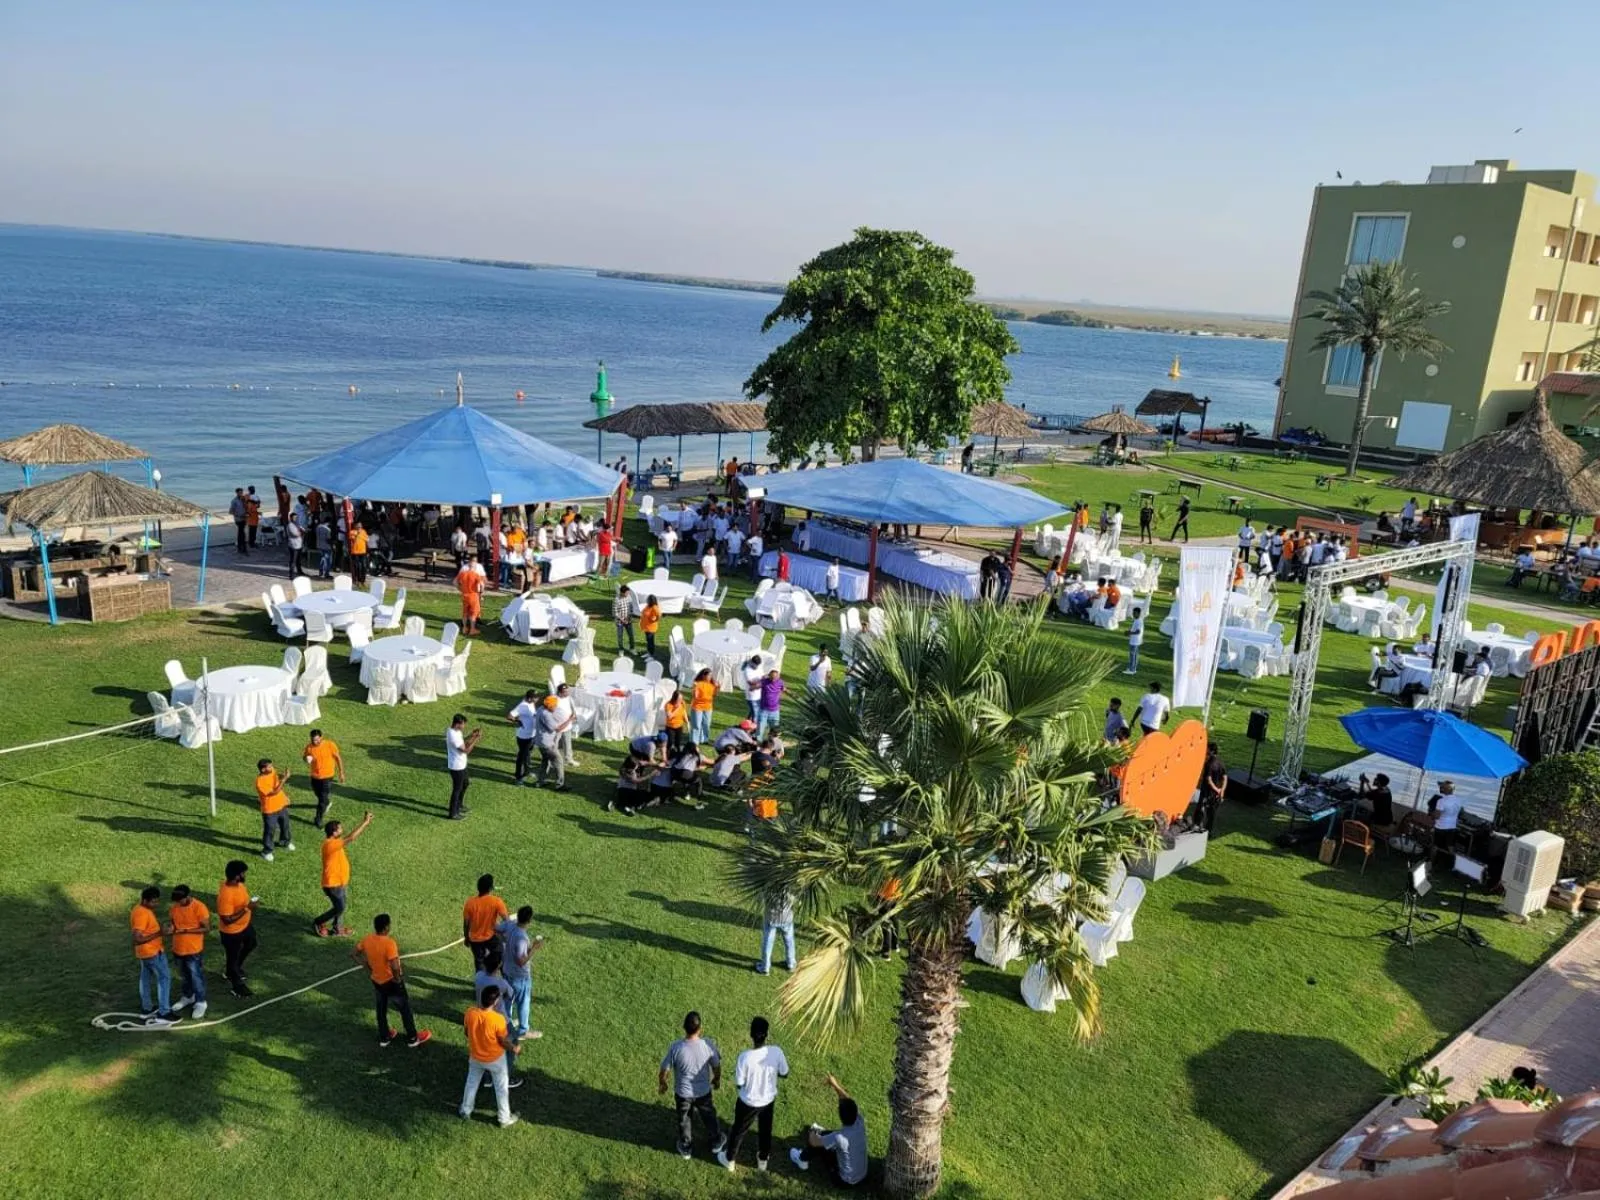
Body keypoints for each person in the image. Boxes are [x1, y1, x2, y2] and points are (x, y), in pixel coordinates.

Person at [717, 1016, 791, 1173]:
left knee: (738, 1130)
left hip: (748, 1102)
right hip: (768, 1101)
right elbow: (785, 1073)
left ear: (751, 1034)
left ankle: (729, 1160)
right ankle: (763, 1160)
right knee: (765, 1130)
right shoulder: (777, 1052)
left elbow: (739, 1083)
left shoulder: (744, 1057)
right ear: (767, 1034)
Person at [353, 913, 431, 1048]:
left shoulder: (367, 939)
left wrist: (366, 967)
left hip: (377, 981)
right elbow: (394, 966)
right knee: (404, 1009)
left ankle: (384, 1037)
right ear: (386, 928)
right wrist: (398, 979)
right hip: (391, 982)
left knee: (381, 1009)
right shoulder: (389, 943)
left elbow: (353, 953)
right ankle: (412, 1038)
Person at [659, 1011, 724, 1161]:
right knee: (709, 1116)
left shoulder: (676, 1047)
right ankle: (716, 1141)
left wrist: (663, 1083)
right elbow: (716, 1066)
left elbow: (664, 1070)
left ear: (684, 1027)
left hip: (683, 1094)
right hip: (703, 1092)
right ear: (700, 1028)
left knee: (684, 1119)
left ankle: (686, 1146)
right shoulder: (708, 1044)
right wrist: (716, 1079)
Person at [460, 984, 524, 1128]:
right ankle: (504, 1119)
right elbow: (503, 1041)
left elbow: (467, 1032)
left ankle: (465, 1110)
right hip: (495, 1059)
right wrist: (514, 1048)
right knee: (501, 1088)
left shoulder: (470, 1013)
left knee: (471, 1083)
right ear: (495, 1002)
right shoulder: (498, 1019)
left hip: (476, 1057)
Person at [791, 1074, 867, 1186]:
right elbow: (847, 1100)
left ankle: (802, 1159)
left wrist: (813, 1132)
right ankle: (819, 1137)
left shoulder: (839, 1137)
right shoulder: (859, 1121)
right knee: (826, 1136)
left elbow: (814, 1142)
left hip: (844, 1181)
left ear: (841, 1116)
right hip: (862, 1175)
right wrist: (835, 1085)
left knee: (819, 1142)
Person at [313, 810, 373, 937]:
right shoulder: (330, 845)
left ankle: (338, 929)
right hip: (333, 884)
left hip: (340, 882)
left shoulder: (335, 842)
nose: (342, 830)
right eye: (340, 829)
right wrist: (365, 822)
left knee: (342, 905)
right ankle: (319, 922)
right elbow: (351, 837)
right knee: (339, 907)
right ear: (334, 832)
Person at [496, 905, 545, 1041]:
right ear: (529, 921)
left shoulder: (510, 925)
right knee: (524, 1003)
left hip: (507, 971)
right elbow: (521, 961)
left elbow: (496, 929)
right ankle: (523, 1031)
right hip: (519, 977)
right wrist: (534, 948)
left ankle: (507, 1025)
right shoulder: (522, 938)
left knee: (507, 1001)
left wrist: (504, 940)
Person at [131, 885, 178, 1024]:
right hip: (152, 952)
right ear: (145, 900)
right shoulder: (142, 913)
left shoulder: (140, 909)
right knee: (164, 979)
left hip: (145, 953)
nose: (156, 904)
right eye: (153, 901)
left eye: (157, 900)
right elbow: (137, 939)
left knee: (145, 979)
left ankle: (147, 1009)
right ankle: (164, 1013)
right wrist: (160, 933)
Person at [167, 884, 211, 1019]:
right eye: (176, 901)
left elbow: (206, 928)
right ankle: (188, 996)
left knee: (196, 976)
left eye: (180, 900)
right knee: (184, 976)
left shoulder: (199, 907)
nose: (178, 903)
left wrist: (186, 930)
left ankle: (201, 1002)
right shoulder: (174, 908)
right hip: (178, 948)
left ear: (187, 896)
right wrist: (170, 928)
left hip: (193, 950)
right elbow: (173, 924)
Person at [217, 860, 257, 998]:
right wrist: (247, 908)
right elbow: (227, 920)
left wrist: (249, 905)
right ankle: (237, 986)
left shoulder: (239, 885)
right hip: (231, 933)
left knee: (251, 943)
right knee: (232, 958)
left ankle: (233, 969)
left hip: (244, 926)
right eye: (243, 873)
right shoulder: (226, 895)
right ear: (236, 876)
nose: (245, 875)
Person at [462, 874, 510, 972]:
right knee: (500, 955)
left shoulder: (470, 903)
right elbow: (506, 920)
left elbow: (466, 924)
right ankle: (504, 976)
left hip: (475, 940)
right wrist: (505, 934)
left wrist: (467, 938)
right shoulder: (496, 901)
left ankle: (481, 980)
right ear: (490, 888)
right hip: (491, 937)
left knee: (479, 962)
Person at [302, 728, 345, 826]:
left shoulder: (330, 745)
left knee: (321, 800)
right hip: (315, 776)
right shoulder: (309, 747)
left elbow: (338, 758)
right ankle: (327, 802)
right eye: (313, 740)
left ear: (321, 737)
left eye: (317, 739)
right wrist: (306, 759)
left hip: (327, 777)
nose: (315, 742)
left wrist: (341, 773)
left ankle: (318, 819)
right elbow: (305, 756)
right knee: (318, 794)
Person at [254, 758, 294, 861]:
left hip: (281, 805)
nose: (272, 768)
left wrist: (285, 796)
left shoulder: (272, 771)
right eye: (269, 766)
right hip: (269, 810)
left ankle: (285, 842)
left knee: (285, 825)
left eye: (271, 765)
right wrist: (284, 779)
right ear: (263, 769)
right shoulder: (260, 782)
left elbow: (276, 782)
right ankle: (267, 851)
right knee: (270, 830)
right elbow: (274, 792)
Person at [445, 714, 482, 820]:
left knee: (465, 783)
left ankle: (459, 805)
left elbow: (462, 742)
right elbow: (466, 750)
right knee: (457, 789)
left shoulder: (455, 731)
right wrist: (476, 739)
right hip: (456, 767)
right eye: (463, 724)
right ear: (457, 724)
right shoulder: (453, 736)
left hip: (461, 764)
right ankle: (453, 813)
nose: (464, 726)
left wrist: (472, 735)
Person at [757, 889, 796, 975]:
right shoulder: (789, 885)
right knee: (789, 940)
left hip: (771, 917)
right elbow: (794, 900)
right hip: (787, 917)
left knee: (768, 941)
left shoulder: (768, 885)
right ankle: (791, 964)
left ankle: (765, 967)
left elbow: (760, 898)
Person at [536, 695, 570, 791]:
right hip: (548, 744)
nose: (556, 707)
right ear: (549, 706)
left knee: (545, 761)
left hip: (540, 742)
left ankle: (540, 782)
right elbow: (557, 729)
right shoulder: (546, 715)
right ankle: (559, 785)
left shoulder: (540, 709)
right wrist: (569, 720)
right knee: (559, 761)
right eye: (554, 706)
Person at [507, 690, 540, 786]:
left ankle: (527, 771)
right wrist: (518, 721)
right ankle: (518, 777)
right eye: (535, 697)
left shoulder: (531, 703)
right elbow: (509, 716)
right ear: (529, 698)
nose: (537, 699)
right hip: (524, 736)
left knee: (528, 754)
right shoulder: (522, 705)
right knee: (521, 757)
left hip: (532, 735)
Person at [1195, 745, 1227, 832]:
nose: (1206, 751)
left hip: (1207, 792)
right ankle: (1208, 832)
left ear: (1212, 751)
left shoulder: (1209, 764)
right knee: (1212, 814)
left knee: (1201, 810)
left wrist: (1216, 789)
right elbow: (1225, 778)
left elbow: (1209, 780)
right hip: (1216, 794)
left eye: (1208, 749)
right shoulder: (1221, 763)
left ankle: (1198, 827)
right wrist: (1221, 790)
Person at [550, 682, 578, 767]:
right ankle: (553, 761)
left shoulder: (568, 698)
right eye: (565, 692)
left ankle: (569, 759)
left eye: (568, 691)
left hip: (567, 726)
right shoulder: (553, 699)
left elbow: (573, 708)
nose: (568, 693)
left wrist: (574, 714)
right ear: (560, 692)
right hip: (557, 727)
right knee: (554, 745)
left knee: (567, 744)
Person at [690, 667, 718, 745]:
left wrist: (717, 687)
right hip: (697, 707)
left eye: (711, 675)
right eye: (709, 675)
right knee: (696, 725)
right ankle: (694, 741)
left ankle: (704, 740)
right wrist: (695, 688)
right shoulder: (697, 684)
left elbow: (714, 695)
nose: (710, 677)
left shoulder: (712, 684)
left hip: (708, 707)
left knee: (706, 724)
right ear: (703, 676)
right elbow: (695, 697)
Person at [757, 669, 785, 740]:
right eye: (772, 677)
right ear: (769, 676)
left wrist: (791, 694)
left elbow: (783, 689)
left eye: (775, 678)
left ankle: (771, 743)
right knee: (760, 730)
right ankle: (758, 743)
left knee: (774, 731)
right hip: (764, 710)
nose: (773, 680)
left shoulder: (780, 682)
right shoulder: (764, 681)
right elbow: (756, 686)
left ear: (778, 677)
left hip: (775, 711)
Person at [663, 688, 689, 753]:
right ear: (674, 698)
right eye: (679, 699)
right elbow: (669, 716)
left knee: (678, 743)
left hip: (679, 726)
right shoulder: (668, 704)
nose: (681, 700)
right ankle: (667, 754)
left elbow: (684, 712)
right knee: (670, 742)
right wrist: (677, 709)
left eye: (681, 698)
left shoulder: (682, 703)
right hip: (670, 727)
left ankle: (678, 754)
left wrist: (687, 722)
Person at [741, 655, 766, 722]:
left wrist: (763, 679)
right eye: (755, 665)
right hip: (751, 695)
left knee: (753, 711)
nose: (757, 666)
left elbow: (762, 676)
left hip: (759, 694)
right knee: (755, 713)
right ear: (752, 662)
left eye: (758, 665)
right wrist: (762, 681)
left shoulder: (759, 667)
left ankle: (746, 723)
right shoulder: (747, 670)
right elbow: (751, 683)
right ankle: (754, 726)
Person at [613, 584, 637, 652]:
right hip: (619, 621)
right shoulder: (616, 600)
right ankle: (621, 649)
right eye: (626, 593)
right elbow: (615, 613)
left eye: (628, 593)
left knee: (631, 635)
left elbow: (631, 609)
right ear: (622, 592)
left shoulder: (629, 597)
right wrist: (622, 620)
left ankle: (632, 648)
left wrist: (628, 617)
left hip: (628, 619)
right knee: (620, 636)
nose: (628, 594)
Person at [640, 594, 662, 660]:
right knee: (648, 641)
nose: (647, 600)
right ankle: (648, 653)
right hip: (646, 627)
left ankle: (651, 655)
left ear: (652, 601)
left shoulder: (654, 607)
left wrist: (655, 620)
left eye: (648, 600)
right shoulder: (648, 605)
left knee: (650, 642)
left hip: (651, 628)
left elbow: (659, 615)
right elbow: (644, 612)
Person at [229, 488, 249, 554]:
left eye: (242, 492)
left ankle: (241, 547)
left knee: (241, 533)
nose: (241, 494)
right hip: (238, 519)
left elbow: (247, 507)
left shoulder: (243, 500)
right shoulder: (234, 501)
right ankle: (243, 548)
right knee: (242, 533)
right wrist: (239, 515)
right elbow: (231, 511)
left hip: (244, 518)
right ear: (237, 493)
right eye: (240, 493)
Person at [1125, 607, 1144, 675]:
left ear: (1139, 613)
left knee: (1132, 655)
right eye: (1133, 613)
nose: (1133, 614)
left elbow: (1138, 631)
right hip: (1135, 640)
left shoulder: (1139, 621)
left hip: (1135, 641)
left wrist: (1130, 633)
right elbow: (1135, 630)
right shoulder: (1137, 620)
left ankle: (1131, 670)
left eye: (1135, 613)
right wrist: (1130, 631)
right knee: (1134, 655)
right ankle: (1133, 668)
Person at [285, 511, 305, 578]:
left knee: (298, 560)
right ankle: (291, 575)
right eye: (294, 517)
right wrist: (301, 532)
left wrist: (301, 531)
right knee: (293, 560)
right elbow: (295, 534)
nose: (295, 519)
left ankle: (299, 571)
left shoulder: (297, 524)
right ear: (290, 518)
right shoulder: (290, 525)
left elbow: (303, 530)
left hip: (299, 544)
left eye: (296, 517)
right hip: (293, 545)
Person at [349, 521, 369, 586]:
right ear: (355, 526)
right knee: (357, 566)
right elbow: (352, 539)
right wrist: (357, 533)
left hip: (363, 551)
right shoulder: (352, 532)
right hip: (355, 552)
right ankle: (357, 580)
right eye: (358, 525)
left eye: (360, 525)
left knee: (364, 566)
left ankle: (362, 581)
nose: (359, 526)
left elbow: (367, 539)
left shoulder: (364, 531)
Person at [314, 513, 333, 579]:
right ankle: (326, 574)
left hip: (319, 545)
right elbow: (328, 539)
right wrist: (332, 544)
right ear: (329, 522)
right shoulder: (328, 529)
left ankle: (321, 573)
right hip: (326, 547)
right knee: (328, 561)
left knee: (322, 559)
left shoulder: (318, 527)